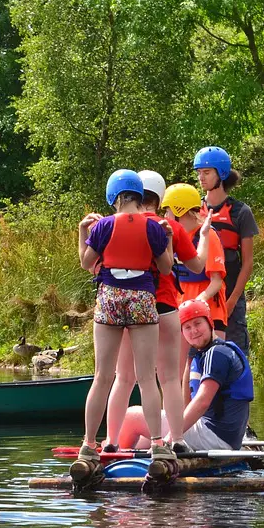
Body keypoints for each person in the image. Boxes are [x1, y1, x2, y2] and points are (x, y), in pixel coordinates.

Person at [73, 170, 176, 484]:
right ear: (138, 195)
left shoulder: (102, 226)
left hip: (109, 299)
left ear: (114, 196)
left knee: (103, 377)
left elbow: (86, 262)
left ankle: (89, 446)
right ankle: (158, 446)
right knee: (147, 378)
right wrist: (168, 239)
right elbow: (167, 266)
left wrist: (82, 232)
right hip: (143, 300)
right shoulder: (153, 227)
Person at [102, 171, 210, 451]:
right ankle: (176, 439)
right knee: (170, 378)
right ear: (159, 197)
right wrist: (206, 236)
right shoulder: (165, 226)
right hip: (165, 309)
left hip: (130, 312)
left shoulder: (117, 225)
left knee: (124, 378)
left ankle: (112, 441)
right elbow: (197, 266)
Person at [120, 299, 254, 452]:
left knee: (132, 417)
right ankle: (128, 453)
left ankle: (114, 461)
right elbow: (187, 405)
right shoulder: (205, 353)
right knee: (146, 438)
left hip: (214, 436)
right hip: (221, 436)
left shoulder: (217, 353)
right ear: (182, 333)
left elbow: (202, 401)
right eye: (187, 327)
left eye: (198, 324)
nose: (194, 331)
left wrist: (171, 439)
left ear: (210, 322)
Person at [194, 146, 258, 355]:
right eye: (199, 172)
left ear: (221, 174)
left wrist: (231, 301)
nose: (201, 178)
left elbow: (247, 263)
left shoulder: (241, 211)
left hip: (230, 294)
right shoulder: (194, 210)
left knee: (234, 355)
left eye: (206, 172)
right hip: (201, 293)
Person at [162, 182, 228, 337]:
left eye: (167, 211)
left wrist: (199, 300)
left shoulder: (207, 236)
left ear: (180, 211)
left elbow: (217, 281)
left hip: (209, 311)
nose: (165, 216)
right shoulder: (174, 236)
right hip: (182, 309)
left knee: (210, 360)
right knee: (184, 361)